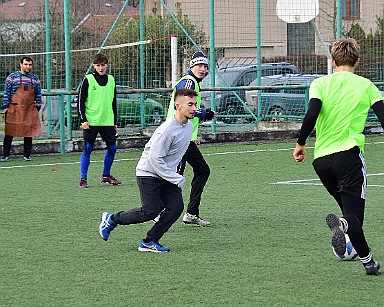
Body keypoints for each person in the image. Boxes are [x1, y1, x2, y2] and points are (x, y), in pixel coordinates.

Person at [292, 38, 383, 275]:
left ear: (332, 62)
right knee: (352, 218)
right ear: (358, 61)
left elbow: (311, 113)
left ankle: (369, 263)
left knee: (351, 215)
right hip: (349, 158)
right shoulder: (367, 86)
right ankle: (342, 225)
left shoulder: (319, 83)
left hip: (322, 161)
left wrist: (300, 144)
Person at [99, 88, 198, 252]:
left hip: (166, 174)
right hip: (149, 173)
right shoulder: (166, 131)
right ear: (177, 106)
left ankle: (149, 241)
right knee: (150, 211)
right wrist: (175, 178)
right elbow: (154, 159)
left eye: (195, 104)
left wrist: (174, 174)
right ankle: (112, 219)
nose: (194, 108)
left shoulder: (188, 127)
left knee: (176, 207)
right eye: (190, 104)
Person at [164, 51, 216, 227]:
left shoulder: (193, 82)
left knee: (202, 170)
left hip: (185, 137)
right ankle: (159, 210)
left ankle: (192, 213)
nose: (203, 69)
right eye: (199, 65)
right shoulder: (188, 82)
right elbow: (183, 107)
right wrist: (205, 113)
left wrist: (193, 136)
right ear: (191, 66)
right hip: (177, 137)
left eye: (205, 66)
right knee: (174, 176)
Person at [77, 53, 121, 188]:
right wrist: (83, 119)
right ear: (94, 66)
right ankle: (83, 178)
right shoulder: (88, 79)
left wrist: (114, 121)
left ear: (107, 65)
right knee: (88, 148)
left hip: (107, 121)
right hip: (91, 121)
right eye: (98, 65)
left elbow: (113, 102)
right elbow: (80, 101)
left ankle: (106, 175)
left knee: (112, 148)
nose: (101, 68)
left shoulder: (112, 80)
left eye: (103, 65)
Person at [1, 56, 42, 162]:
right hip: (13, 108)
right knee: (9, 132)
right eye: (26, 64)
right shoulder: (12, 77)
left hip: (29, 109)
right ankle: (5, 155)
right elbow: (7, 93)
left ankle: (27, 155)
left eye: (30, 65)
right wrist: (5, 107)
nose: (28, 67)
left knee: (28, 132)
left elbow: (38, 94)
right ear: (21, 65)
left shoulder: (35, 79)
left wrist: (38, 106)